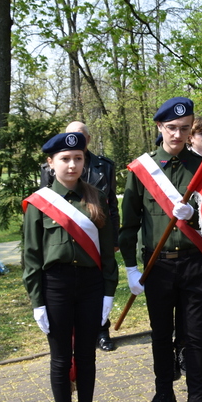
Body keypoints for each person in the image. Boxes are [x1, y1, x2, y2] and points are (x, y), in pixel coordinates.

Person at [119, 97, 202, 402]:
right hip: (159, 268)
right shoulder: (142, 170)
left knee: (194, 337)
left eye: (184, 128)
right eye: (171, 128)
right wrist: (130, 268)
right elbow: (128, 226)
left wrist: (196, 220)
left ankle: (197, 400)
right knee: (161, 335)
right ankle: (163, 394)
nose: (178, 134)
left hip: (195, 264)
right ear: (159, 127)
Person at [23, 132, 117, 402]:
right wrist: (37, 301)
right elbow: (31, 257)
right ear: (51, 163)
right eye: (65, 159)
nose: (72, 164)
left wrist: (108, 292)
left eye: (78, 158)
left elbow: (107, 252)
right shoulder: (39, 203)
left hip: (91, 286)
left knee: (87, 355)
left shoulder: (96, 197)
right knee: (61, 358)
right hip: (56, 286)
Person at [39, 121, 119, 352]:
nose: (72, 164)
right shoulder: (48, 171)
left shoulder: (104, 166)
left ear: (88, 140)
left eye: (80, 136)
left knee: (96, 290)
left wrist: (113, 239)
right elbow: (47, 202)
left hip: (95, 235)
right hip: (66, 239)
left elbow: (112, 205)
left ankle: (102, 332)